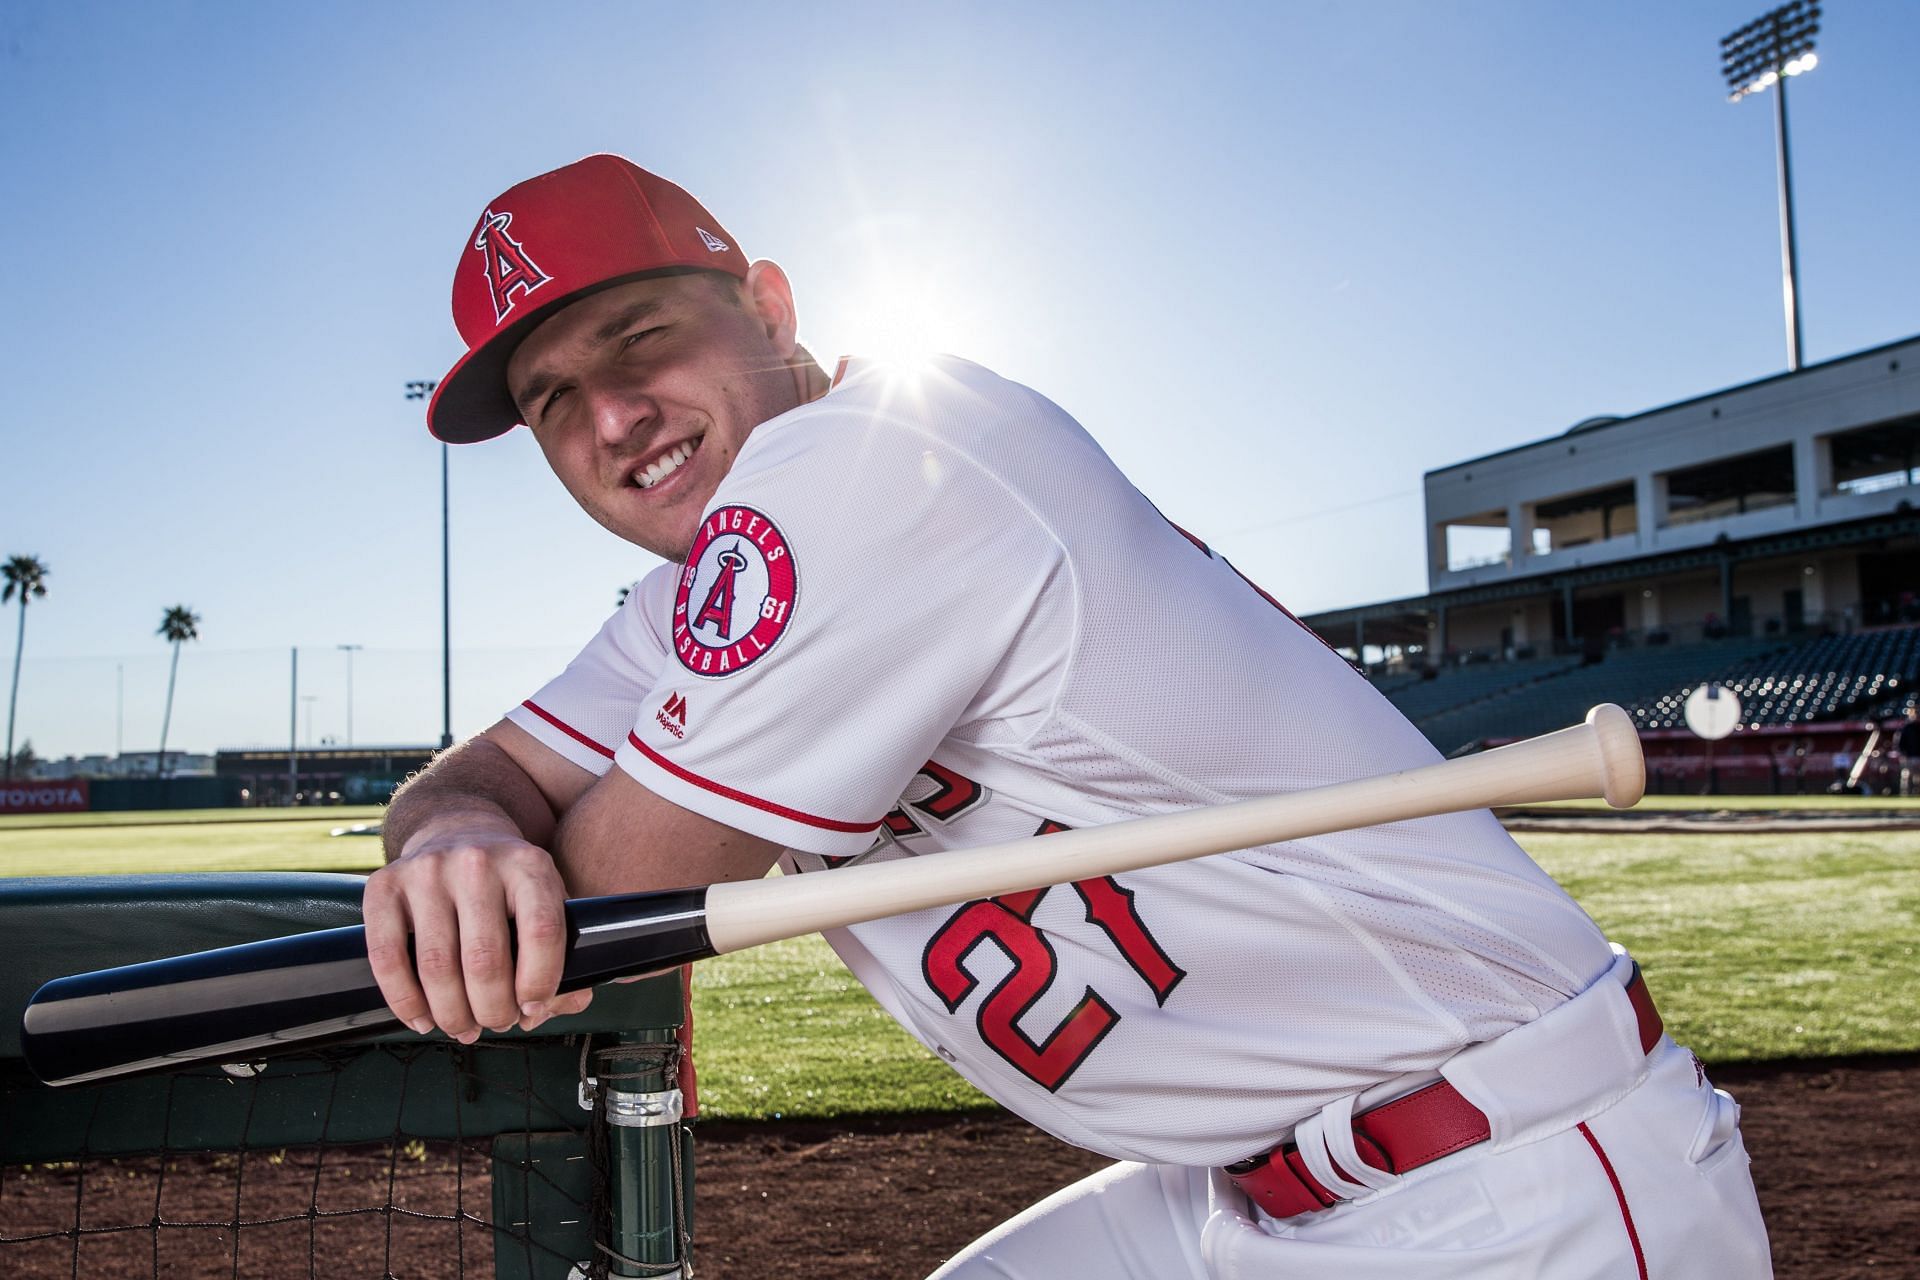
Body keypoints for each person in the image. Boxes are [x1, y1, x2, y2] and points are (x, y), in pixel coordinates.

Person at [368, 154, 1772, 1279]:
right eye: (554, 402)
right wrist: (451, 836)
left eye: (640, 341)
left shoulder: (863, 466)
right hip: (1255, 1185)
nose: (611, 419)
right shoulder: (700, 589)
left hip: (1507, 1186)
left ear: (772, 309)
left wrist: (527, 850)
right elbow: (481, 770)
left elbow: (621, 890)